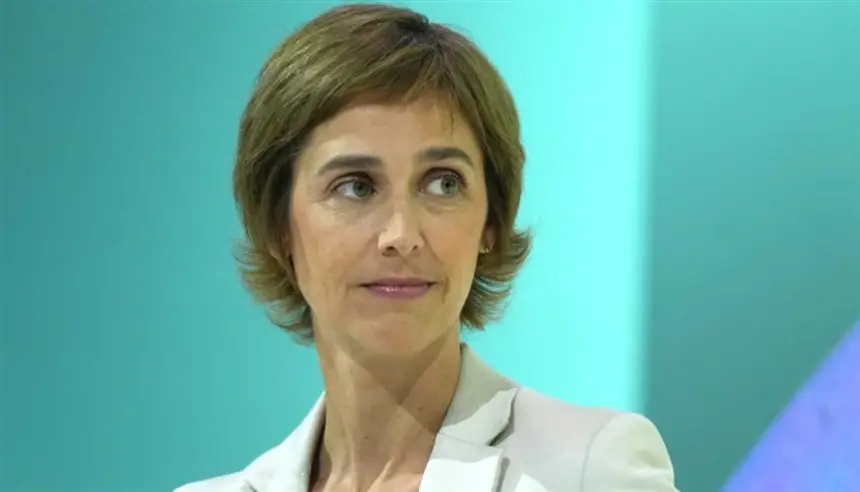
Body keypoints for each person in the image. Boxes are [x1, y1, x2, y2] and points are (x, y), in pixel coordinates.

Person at [176, 3, 678, 492]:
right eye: (356, 186)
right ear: (278, 226)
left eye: (443, 183)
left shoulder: (592, 469)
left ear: (490, 222)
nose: (401, 235)